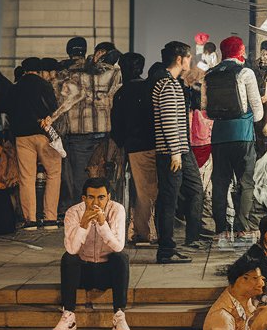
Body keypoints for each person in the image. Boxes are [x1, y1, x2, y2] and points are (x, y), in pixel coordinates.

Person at [203, 36, 264, 243]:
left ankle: (221, 230)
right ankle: (241, 228)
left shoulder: (209, 74)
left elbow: (206, 111)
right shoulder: (245, 73)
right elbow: (258, 112)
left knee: (220, 183)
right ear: (239, 51)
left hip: (219, 136)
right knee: (245, 183)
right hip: (243, 135)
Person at [54, 37, 123, 215]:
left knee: (80, 178)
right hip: (104, 130)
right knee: (104, 176)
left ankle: (83, 213)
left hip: (78, 132)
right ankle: (103, 213)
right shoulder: (112, 72)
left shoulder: (67, 72)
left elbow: (60, 99)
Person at [53, 177, 131, 330]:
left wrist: (103, 224)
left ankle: (119, 314)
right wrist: (83, 225)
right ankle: (68, 315)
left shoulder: (117, 210)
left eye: (101, 197)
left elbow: (118, 246)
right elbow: (71, 250)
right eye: (91, 197)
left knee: (121, 258)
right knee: (68, 258)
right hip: (83, 272)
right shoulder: (73, 212)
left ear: (108, 196)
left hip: (106, 272)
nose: (96, 202)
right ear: (84, 198)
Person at [151, 40, 203, 264]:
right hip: (173, 151)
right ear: (180, 59)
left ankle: (180, 242)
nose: (190, 61)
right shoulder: (167, 85)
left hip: (182, 149)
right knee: (169, 199)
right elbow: (169, 120)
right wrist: (174, 152)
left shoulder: (171, 83)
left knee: (191, 189)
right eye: (189, 57)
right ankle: (166, 250)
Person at [110, 52, 158, 246]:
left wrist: (121, 144)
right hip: (155, 144)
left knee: (143, 191)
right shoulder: (149, 88)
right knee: (151, 190)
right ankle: (148, 230)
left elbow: (117, 126)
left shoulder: (122, 93)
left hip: (135, 147)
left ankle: (143, 232)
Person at [11, 57, 61, 229]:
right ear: (39, 70)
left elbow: (8, 110)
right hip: (43, 134)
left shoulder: (16, 87)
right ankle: (50, 219)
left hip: (22, 136)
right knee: (53, 174)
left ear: (24, 70)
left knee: (27, 178)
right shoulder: (44, 85)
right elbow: (54, 108)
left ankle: (30, 220)